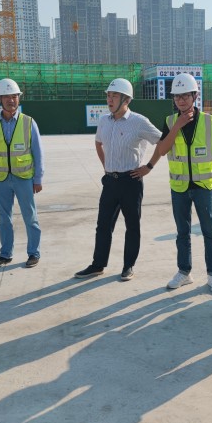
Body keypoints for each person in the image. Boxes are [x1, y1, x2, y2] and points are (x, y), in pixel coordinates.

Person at [74, 78, 162, 281]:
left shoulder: (139, 122)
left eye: (114, 96)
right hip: (110, 182)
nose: (109, 99)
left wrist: (149, 167)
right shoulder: (104, 120)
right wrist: (106, 166)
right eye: (108, 95)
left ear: (126, 100)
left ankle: (128, 266)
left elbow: (162, 141)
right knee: (103, 225)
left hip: (131, 181)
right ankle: (98, 265)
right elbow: (98, 143)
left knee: (132, 226)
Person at [156, 73, 212, 294]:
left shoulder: (208, 120)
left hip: (203, 187)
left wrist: (204, 171)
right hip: (179, 187)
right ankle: (184, 272)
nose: (181, 100)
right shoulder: (169, 121)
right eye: (177, 97)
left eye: (185, 96)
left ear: (195, 96)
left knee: (209, 231)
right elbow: (162, 150)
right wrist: (177, 126)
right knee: (182, 232)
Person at [0, 78, 44, 269]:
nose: (11, 100)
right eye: (6, 97)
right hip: (0, 179)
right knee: (4, 219)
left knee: (30, 217)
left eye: (14, 96)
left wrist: (38, 178)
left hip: (24, 178)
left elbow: (38, 152)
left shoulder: (28, 122)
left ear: (19, 98)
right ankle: (5, 254)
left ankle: (33, 253)